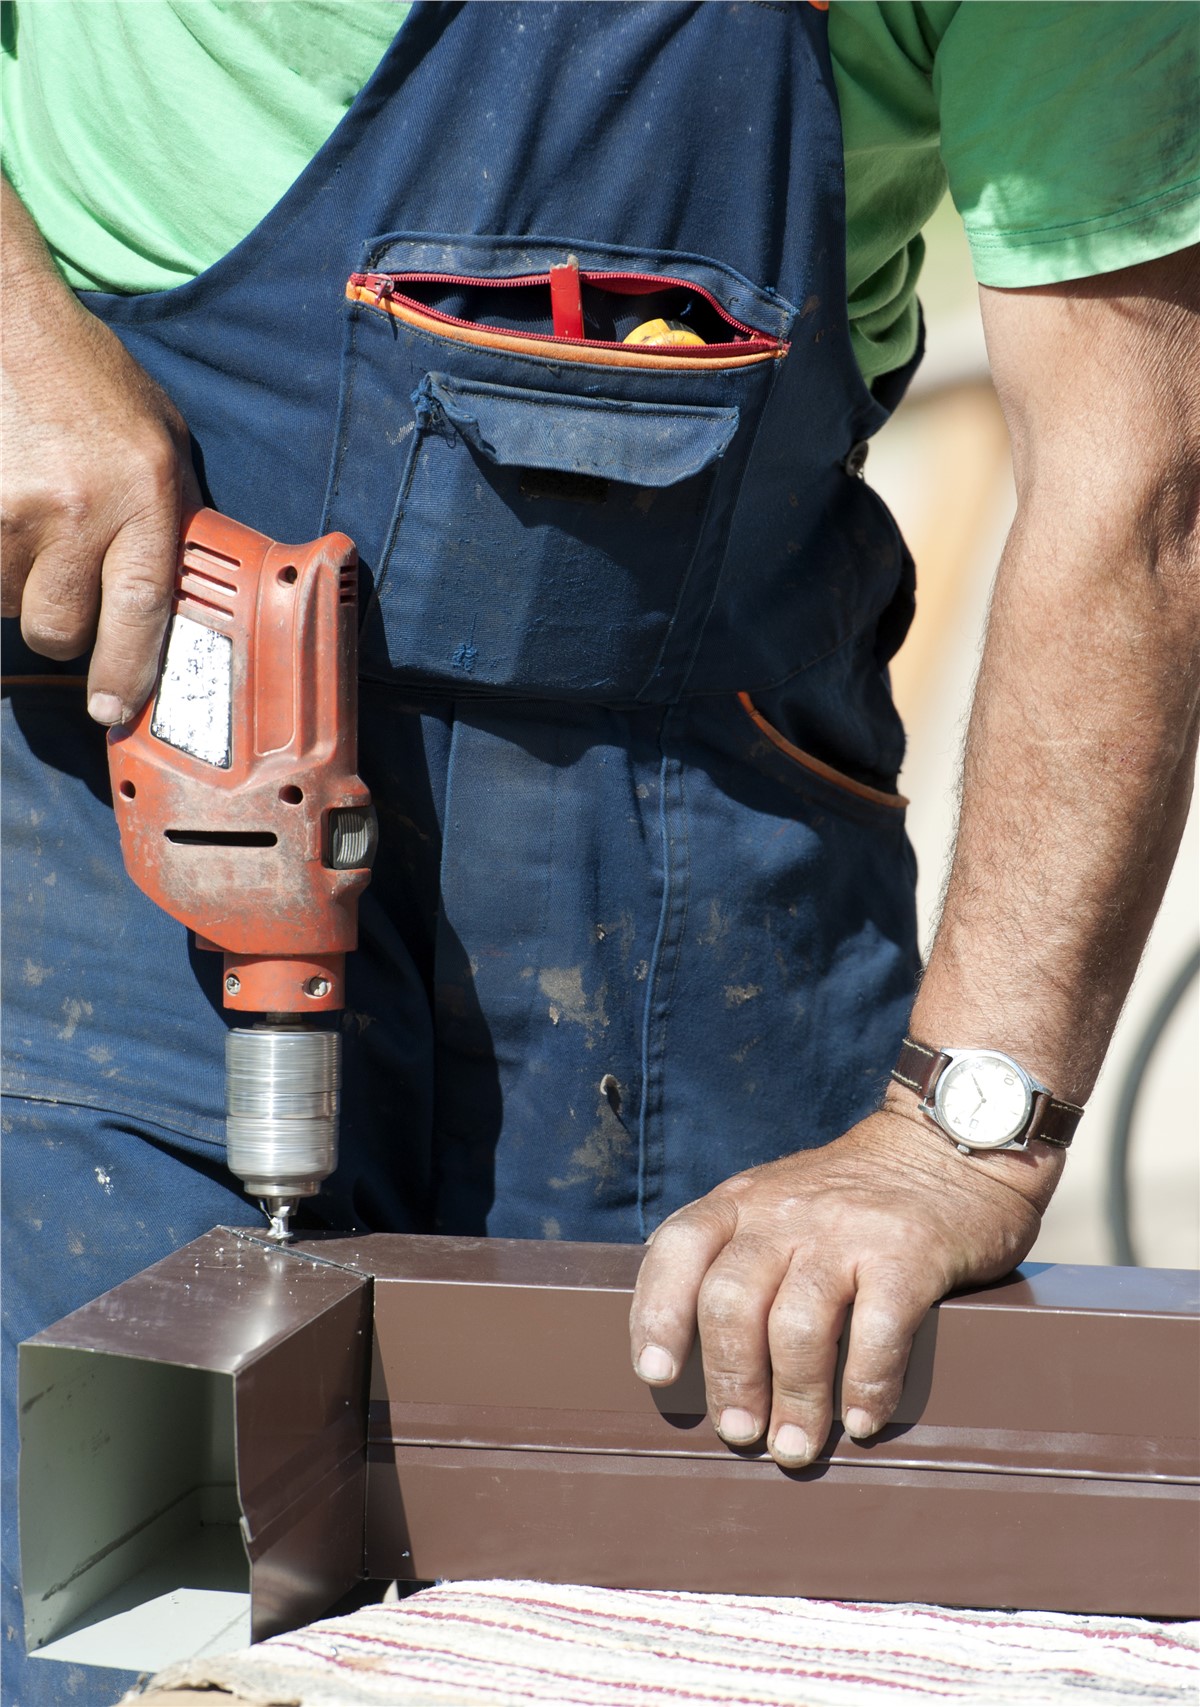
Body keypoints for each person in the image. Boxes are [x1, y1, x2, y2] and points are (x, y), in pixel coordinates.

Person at [2, 3, 1197, 1702]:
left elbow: (1140, 479)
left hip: (698, 872)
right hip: (131, 770)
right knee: (106, 1592)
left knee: (716, 1588)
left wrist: (959, 1140)